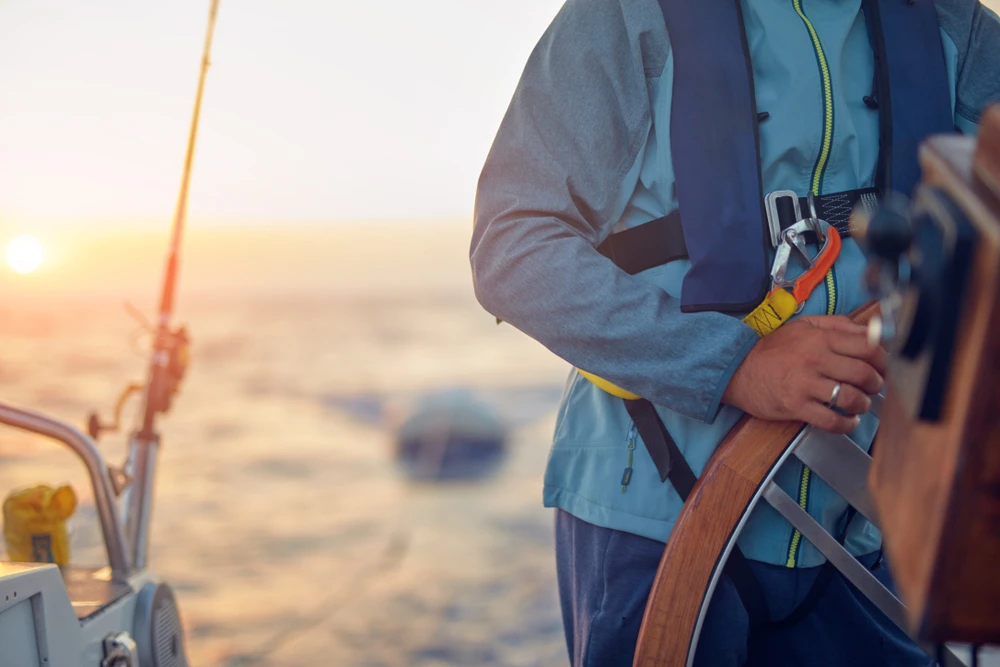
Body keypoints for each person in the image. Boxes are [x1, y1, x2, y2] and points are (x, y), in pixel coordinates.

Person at [470, 0, 1000, 665]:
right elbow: (511, 248)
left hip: (867, 522)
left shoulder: (959, 29)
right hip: (652, 515)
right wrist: (735, 364)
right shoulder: (625, 15)